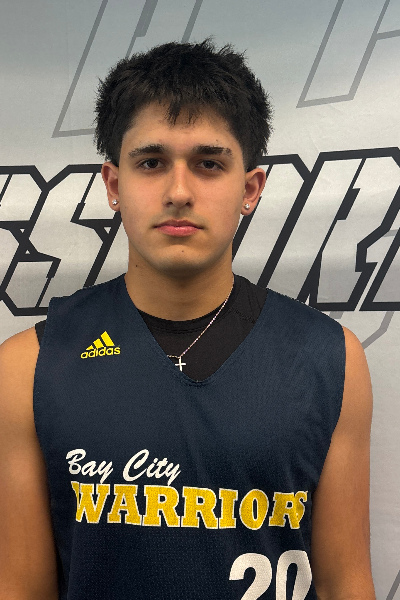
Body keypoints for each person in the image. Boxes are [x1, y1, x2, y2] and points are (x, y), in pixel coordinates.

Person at [0, 38, 375, 600]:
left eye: (209, 164)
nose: (179, 192)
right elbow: (21, 589)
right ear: (114, 185)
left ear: (250, 188)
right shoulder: (27, 367)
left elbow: (346, 584)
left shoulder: (330, 359)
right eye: (151, 163)